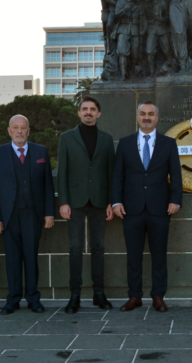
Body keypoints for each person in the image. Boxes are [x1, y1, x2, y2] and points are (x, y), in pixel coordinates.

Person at [111, 101, 183, 313]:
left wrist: (175, 200)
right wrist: (116, 201)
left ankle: (158, 296)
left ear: (157, 118)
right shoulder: (124, 143)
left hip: (160, 208)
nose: (147, 117)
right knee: (133, 256)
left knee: (159, 255)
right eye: (143, 113)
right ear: (137, 116)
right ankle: (134, 296)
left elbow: (176, 175)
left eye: (151, 114)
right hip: (130, 209)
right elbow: (117, 176)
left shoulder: (168, 143)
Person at [0, 115, 55, 315]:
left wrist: (49, 213)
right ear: (9, 131)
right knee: (12, 259)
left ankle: (34, 299)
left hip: (33, 215)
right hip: (8, 216)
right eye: (15, 128)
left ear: (28, 130)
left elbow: (48, 186)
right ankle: (13, 299)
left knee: (31, 258)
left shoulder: (40, 151)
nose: (19, 131)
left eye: (23, 128)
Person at [58, 96, 115, 313]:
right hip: (75, 202)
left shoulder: (107, 139)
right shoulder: (66, 138)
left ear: (99, 114)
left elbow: (111, 172)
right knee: (75, 248)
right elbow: (62, 171)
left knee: (98, 248)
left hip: (100, 201)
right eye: (85, 109)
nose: (88, 112)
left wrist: (111, 201)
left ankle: (99, 294)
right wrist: (63, 202)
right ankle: (75, 296)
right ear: (79, 113)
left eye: (92, 109)